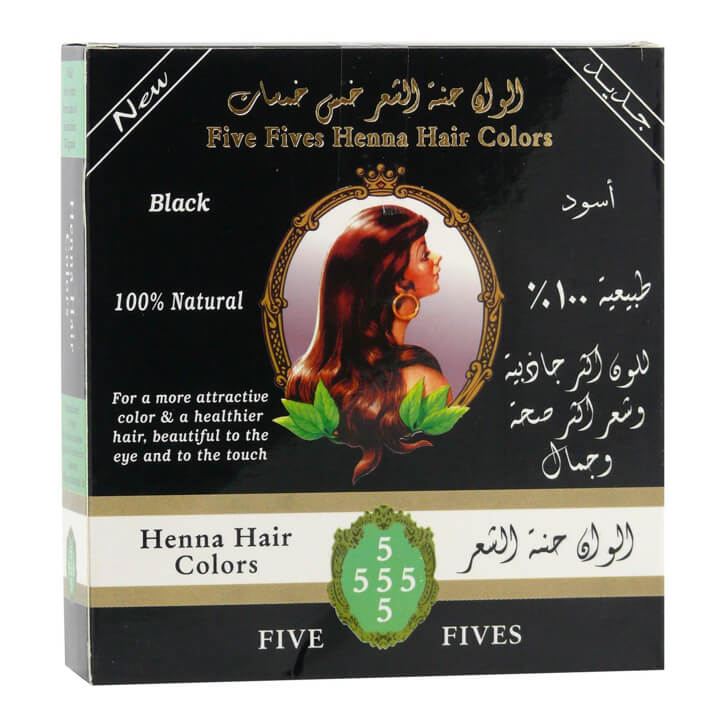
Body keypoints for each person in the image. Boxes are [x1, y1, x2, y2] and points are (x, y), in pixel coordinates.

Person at [286, 204, 450, 483]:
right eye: (424, 255)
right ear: (397, 282)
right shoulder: (425, 384)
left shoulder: (305, 379)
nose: (437, 257)